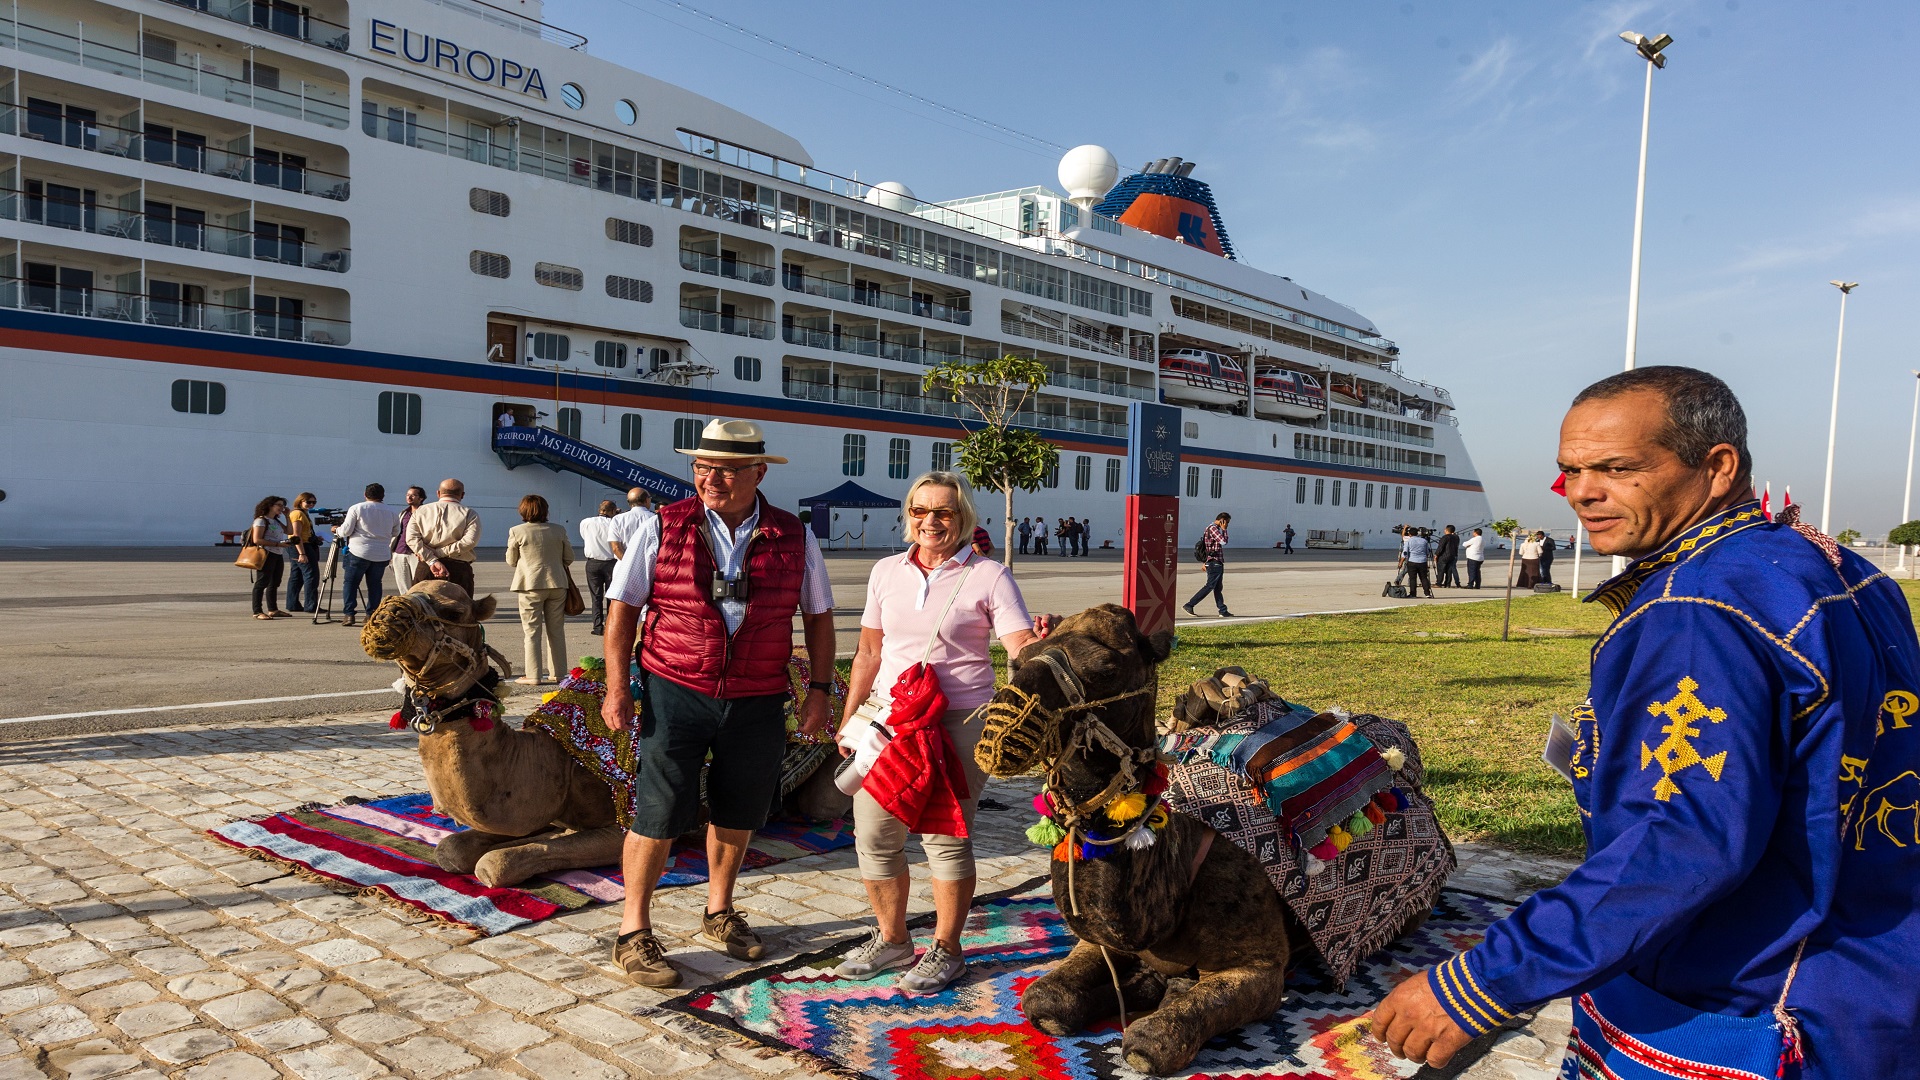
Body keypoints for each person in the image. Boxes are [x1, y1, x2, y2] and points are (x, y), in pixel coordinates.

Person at [1374, 365, 1920, 1079]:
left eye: (1618, 468)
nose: (1582, 493)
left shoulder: (1695, 609)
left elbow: (1685, 836)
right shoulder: (1831, 563)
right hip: (1869, 971)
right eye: (1570, 471)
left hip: (1750, 1001)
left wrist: (1479, 983)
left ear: (1716, 466)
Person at [599, 419, 835, 988]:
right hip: (674, 688)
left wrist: (820, 693)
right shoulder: (661, 526)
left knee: (739, 808)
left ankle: (718, 911)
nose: (711, 478)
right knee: (657, 810)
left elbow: (819, 617)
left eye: (726, 470)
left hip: (757, 697)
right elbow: (621, 611)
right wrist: (615, 688)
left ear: (759, 473)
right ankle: (633, 932)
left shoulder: (793, 536)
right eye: (703, 468)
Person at [833, 472, 1049, 994]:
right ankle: (892, 939)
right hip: (891, 722)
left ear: (964, 519)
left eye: (943, 513)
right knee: (874, 835)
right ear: (908, 515)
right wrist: (849, 718)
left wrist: (1044, 644)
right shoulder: (885, 571)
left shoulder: (990, 576)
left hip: (960, 721)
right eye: (919, 511)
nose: (930, 522)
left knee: (944, 836)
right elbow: (868, 652)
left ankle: (948, 951)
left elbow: (1018, 645)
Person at [505, 494, 574, 685]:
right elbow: (569, 558)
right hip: (557, 583)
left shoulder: (517, 531)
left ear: (523, 510)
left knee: (532, 631)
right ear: (546, 510)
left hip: (530, 585)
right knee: (557, 631)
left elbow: (511, 561)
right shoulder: (559, 530)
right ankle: (559, 673)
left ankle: (534, 675)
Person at [334, 483, 400, 628]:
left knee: (351, 583)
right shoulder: (392, 511)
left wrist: (336, 530)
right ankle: (371, 614)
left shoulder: (357, 508)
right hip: (381, 553)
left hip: (359, 551)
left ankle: (349, 614)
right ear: (383, 496)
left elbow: (346, 531)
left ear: (365, 494)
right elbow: (396, 532)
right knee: (375, 585)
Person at [405, 479, 481, 598]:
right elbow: (469, 541)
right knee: (460, 611)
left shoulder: (421, 511)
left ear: (438, 493)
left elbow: (411, 539)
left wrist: (432, 559)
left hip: (427, 567)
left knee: (420, 610)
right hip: (458, 568)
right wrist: (441, 553)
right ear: (462, 495)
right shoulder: (469, 514)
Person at [247, 496, 293, 619]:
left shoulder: (276, 521)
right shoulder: (261, 521)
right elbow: (257, 539)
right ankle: (257, 611)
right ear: (269, 505)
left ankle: (273, 609)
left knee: (275, 582)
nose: (281, 508)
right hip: (266, 553)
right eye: (278, 505)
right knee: (262, 582)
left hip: (277, 553)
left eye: (283, 505)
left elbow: (289, 530)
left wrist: (287, 516)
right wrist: (278, 544)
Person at [579, 500, 620, 635]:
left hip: (593, 562)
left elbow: (584, 536)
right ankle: (610, 625)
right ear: (613, 511)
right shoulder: (615, 523)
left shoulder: (586, 522)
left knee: (596, 596)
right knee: (611, 596)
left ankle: (597, 626)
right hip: (610, 563)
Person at [1183, 512, 1234, 617]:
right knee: (1210, 586)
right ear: (1222, 520)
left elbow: (1209, 547)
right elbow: (1223, 542)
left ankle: (1222, 610)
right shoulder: (1213, 529)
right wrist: (1224, 530)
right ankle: (1189, 605)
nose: (1227, 525)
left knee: (1217, 588)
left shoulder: (1211, 529)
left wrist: (1205, 562)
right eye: (1227, 522)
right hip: (1215, 562)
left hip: (1215, 561)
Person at [284, 492, 319, 613]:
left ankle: (292, 604)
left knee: (297, 575)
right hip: (300, 546)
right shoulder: (298, 514)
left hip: (299, 545)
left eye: (313, 502)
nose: (311, 504)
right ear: (300, 501)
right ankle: (311, 605)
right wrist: (302, 553)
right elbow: (296, 535)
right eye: (308, 502)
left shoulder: (303, 513)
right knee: (311, 574)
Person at [389, 486, 427, 589]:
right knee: (403, 587)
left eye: (413, 495)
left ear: (421, 498)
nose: (409, 498)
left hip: (416, 554)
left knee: (418, 586)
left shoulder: (426, 514)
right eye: (407, 495)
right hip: (399, 553)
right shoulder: (404, 513)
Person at [608, 487, 655, 560]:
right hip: (650, 564)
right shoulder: (656, 518)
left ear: (628, 502)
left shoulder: (617, 519)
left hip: (624, 564)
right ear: (646, 500)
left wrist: (627, 564)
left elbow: (616, 548)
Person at [1399, 525, 1434, 598]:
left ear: (1409, 534)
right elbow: (1427, 552)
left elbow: (1405, 553)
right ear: (1417, 533)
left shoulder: (1408, 541)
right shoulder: (1424, 541)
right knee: (1424, 578)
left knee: (1412, 578)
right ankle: (1427, 593)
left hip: (1412, 561)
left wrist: (1401, 563)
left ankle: (1413, 594)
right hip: (1422, 562)